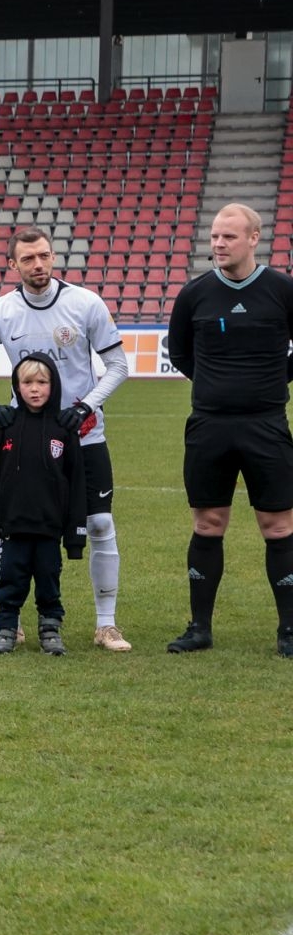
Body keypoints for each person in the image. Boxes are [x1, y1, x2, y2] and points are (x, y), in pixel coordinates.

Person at [0, 227, 133, 651]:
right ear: (13, 265)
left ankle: (106, 625)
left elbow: (118, 366)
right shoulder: (0, 313)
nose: (38, 265)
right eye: (28, 259)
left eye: (43, 256)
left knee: (100, 522)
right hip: (24, 442)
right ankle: (10, 624)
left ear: (53, 256)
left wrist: (86, 406)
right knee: (7, 526)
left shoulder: (85, 304)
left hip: (85, 436)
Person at [163, 203, 293, 656]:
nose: (218, 243)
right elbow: (180, 352)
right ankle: (199, 628)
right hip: (209, 426)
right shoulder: (194, 294)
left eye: (229, 236)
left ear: (254, 238)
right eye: (215, 235)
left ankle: (289, 630)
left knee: (278, 526)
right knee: (208, 523)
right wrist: (215, 384)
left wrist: (273, 380)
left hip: (266, 425)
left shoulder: (282, 290)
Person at [0, 354, 88, 655]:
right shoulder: (7, 424)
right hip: (14, 527)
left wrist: (75, 536)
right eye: (27, 382)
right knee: (10, 582)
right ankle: (6, 630)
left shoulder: (64, 427)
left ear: (54, 385)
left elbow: (76, 483)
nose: (35, 389)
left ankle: (50, 630)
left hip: (49, 529)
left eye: (42, 382)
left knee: (49, 581)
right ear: (17, 386)